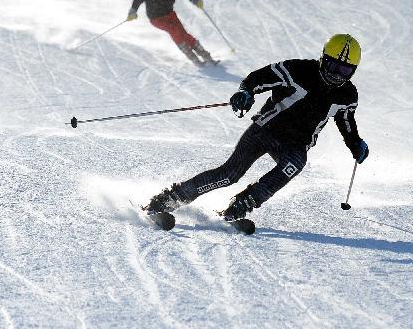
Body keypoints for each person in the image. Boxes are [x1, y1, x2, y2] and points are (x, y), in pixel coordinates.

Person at [143, 34, 369, 221]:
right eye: (332, 66)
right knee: (230, 174)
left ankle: (242, 204)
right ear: (322, 58)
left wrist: (355, 143)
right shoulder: (297, 70)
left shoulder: (347, 95)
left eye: (345, 71)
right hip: (266, 129)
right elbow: (259, 77)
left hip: (296, 143)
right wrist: (246, 92)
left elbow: (346, 121)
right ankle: (169, 198)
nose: (335, 74)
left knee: (295, 163)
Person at [127, 0, 216, 66]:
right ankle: (193, 58)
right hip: (156, 18)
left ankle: (206, 55)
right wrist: (133, 11)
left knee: (183, 34)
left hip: (170, 14)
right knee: (174, 30)